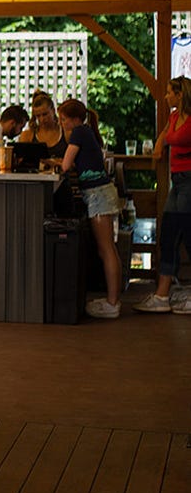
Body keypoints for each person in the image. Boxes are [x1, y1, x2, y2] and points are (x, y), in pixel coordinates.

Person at [57, 98, 122, 319]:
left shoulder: (78, 133)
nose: (62, 123)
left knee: (106, 250)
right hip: (102, 193)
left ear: (75, 119)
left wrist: (56, 162)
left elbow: (66, 165)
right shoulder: (87, 132)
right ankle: (114, 299)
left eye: (63, 119)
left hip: (98, 195)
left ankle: (112, 303)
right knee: (109, 249)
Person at [134, 75, 191, 314]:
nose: (166, 96)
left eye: (169, 92)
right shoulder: (174, 116)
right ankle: (162, 295)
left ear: (180, 94)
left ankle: (166, 292)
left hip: (190, 181)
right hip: (176, 182)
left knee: (189, 235)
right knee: (167, 233)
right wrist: (159, 145)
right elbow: (165, 136)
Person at [19, 91, 68, 159]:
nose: (42, 119)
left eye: (45, 114)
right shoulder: (28, 135)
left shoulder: (66, 133)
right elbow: (20, 162)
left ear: (53, 111)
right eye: (38, 116)